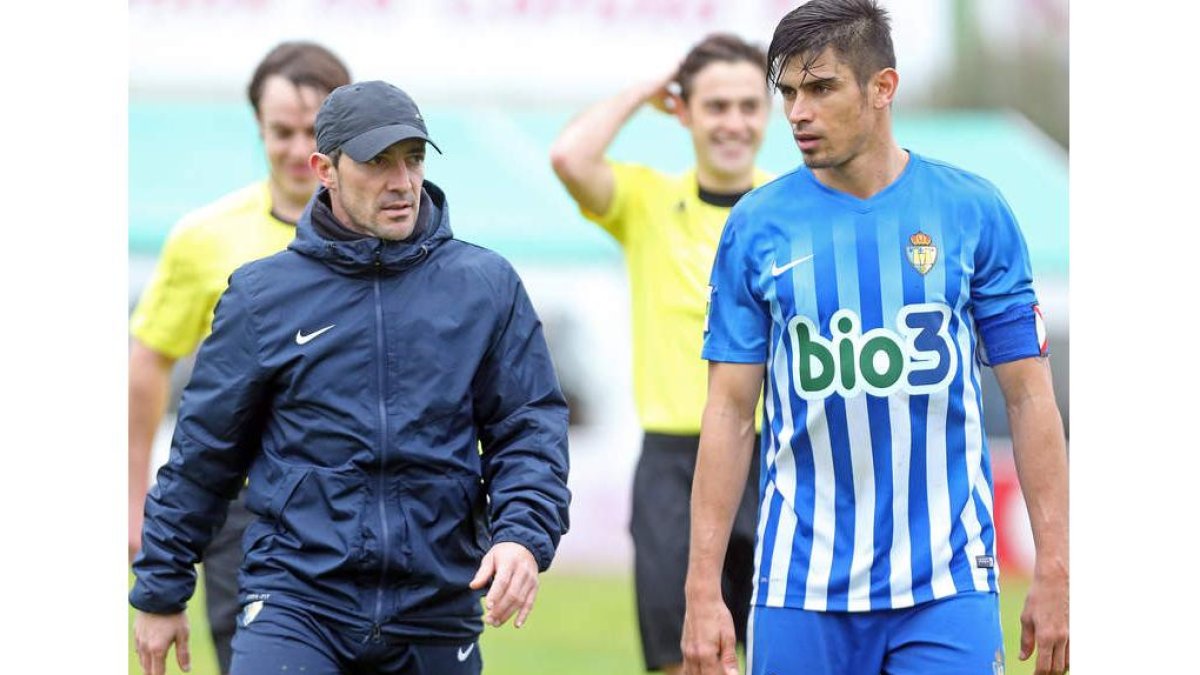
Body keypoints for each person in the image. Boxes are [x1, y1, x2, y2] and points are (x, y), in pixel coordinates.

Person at [130, 80, 572, 675]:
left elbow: (528, 427)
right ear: (325, 170)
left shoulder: (486, 286)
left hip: (437, 604)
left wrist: (521, 534)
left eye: (413, 159)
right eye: (376, 162)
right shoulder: (263, 296)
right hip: (295, 600)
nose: (401, 182)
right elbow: (204, 453)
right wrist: (161, 590)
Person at [681, 2, 1069, 675]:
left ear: (882, 88)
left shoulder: (973, 212)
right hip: (799, 585)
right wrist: (701, 589)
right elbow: (728, 413)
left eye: (821, 88)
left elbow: (1032, 397)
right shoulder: (756, 227)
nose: (797, 112)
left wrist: (1057, 569)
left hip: (946, 584)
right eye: (789, 92)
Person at [549, 34, 772, 675]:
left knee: (783, 653)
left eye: (749, 106)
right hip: (675, 464)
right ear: (685, 112)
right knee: (689, 659)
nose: (733, 122)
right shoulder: (647, 202)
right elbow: (568, 155)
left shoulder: (791, 207)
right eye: (717, 106)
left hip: (776, 458)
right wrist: (642, 91)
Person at [128, 40, 352, 674]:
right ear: (258, 127)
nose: (297, 148)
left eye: (315, 130)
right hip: (246, 515)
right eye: (281, 131)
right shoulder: (205, 237)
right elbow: (148, 360)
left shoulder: (394, 236)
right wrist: (133, 497)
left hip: (366, 508)